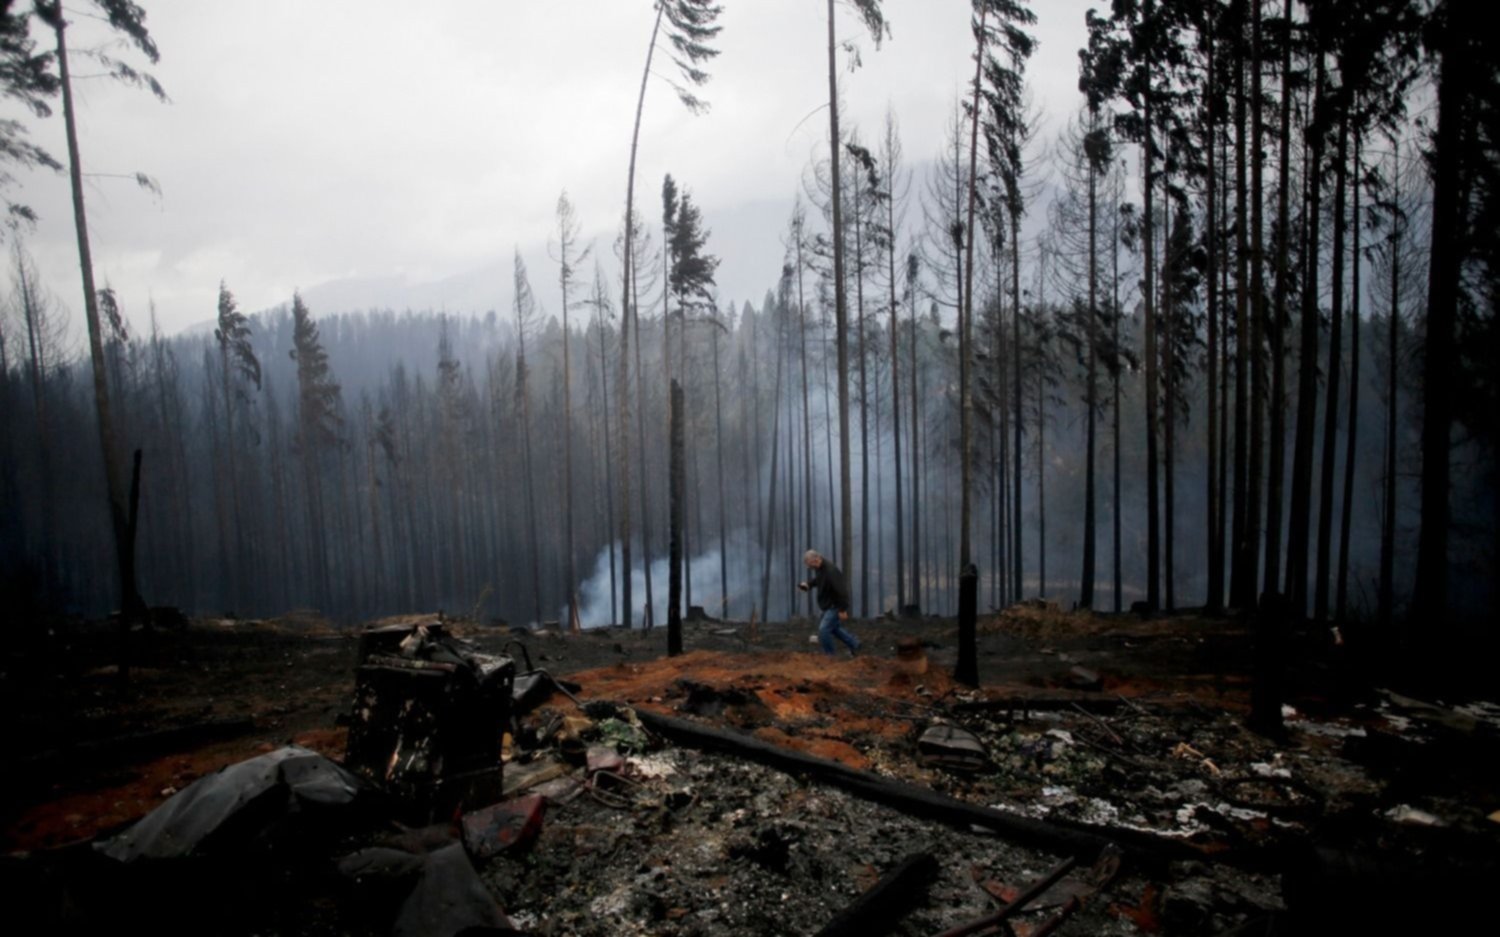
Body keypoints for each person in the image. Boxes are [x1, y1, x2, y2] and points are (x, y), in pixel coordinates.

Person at [798, 549, 860, 658]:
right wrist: (808, 584)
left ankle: (830, 656)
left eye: (810, 565)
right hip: (829, 605)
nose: (810, 568)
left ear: (816, 559)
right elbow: (819, 580)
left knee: (824, 630)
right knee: (834, 629)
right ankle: (855, 644)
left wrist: (842, 609)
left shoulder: (830, 571)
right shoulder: (820, 568)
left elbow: (842, 591)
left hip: (835, 606)